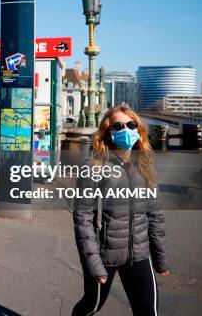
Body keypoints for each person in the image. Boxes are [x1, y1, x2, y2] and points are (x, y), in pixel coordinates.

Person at [72, 105, 170, 316]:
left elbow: (155, 214)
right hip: (105, 254)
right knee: (92, 305)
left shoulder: (144, 163)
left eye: (131, 124)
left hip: (140, 254)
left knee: (148, 312)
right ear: (108, 131)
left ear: (138, 128)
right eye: (118, 125)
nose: (126, 129)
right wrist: (93, 263)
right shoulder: (94, 166)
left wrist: (160, 257)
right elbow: (83, 218)